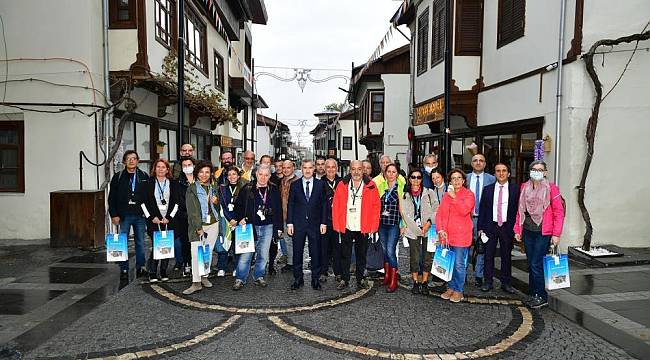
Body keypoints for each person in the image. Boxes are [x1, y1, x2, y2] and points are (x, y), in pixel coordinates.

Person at [514, 161, 565, 309]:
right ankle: (533, 293)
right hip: (529, 230)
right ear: (530, 171)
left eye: (540, 170)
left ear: (545, 172)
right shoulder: (524, 187)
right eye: (534, 169)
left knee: (536, 264)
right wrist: (518, 229)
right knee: (531, 264)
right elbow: (520, 210)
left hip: (544, 231)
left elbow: (558, 212)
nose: (537, 172)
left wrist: (556, 234)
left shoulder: (552, 189)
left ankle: (541, 296)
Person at [332, 160, 381, 290]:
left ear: (363, 170)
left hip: (363, 226)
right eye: (353, 169)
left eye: (359, 169)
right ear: (350, 170)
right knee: (345, 254)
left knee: (361, 255)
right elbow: (336, 205)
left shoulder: (371, 185)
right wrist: (337, 224)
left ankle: (360, 278)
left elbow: (377, 207)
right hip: (346, 225)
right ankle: (344, 278)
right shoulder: (342, 184)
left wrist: (374, 226)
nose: (356, 172)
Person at [232, 165, 283, 290]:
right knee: (246, 255)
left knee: (263, 254)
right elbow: (237, 206)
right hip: (250, 227)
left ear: (270, 176)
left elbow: (278, 210)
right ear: (256, 174)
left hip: (268, 227)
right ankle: (240, 278)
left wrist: (279, 228)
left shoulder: (274, 189)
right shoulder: (247, 188)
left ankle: (259, 276)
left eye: (266, 175)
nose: (263, 177)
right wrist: (240, 219)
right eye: (261, 174)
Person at [477, 163, 520, 294]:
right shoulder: (488, 189)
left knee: (506, 256)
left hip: (507, 227)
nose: (501, 173)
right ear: (494, 174)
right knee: (488, 255)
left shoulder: (516, 189)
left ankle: (506, 283)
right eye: (498, 171)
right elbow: (482, 209)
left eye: (504, 171)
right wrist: (480, 228)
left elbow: (519, 210)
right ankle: (488, 282)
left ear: (508, 173)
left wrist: (517, 228)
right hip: (490, 226)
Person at [108, 150, 150, 279]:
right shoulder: (118, 176)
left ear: (138, 161)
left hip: (140, 216)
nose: (131, 161)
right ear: (124, 161)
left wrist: (147, 214)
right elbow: (112, 198)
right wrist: (114, 214)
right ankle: (124, 269)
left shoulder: (144, 176)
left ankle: (141, 267)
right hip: (123, 216)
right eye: (128, 158)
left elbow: (149, 197)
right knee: (122, 243)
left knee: (140, 243)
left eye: (134, 158)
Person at [435, 169, 475, 303]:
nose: (456, 181)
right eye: (453, 178)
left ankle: (459, 290)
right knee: (449, 263)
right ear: (450, 181)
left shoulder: (469, 194)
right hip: (446, 236)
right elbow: (440, 214)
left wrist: (454, 197)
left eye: (459, 178)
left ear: (463, 181)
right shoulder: (447, 196)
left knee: (459, 264)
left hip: (461, 236)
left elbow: (464, 210)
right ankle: (451, 287)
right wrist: (440, 230)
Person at [287, 160, 327, 290]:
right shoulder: (295, 185)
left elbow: (324, 205)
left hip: (315, 224)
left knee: (315, 252)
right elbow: (291, 205)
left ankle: (315, 279)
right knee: (297, 252)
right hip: (298, 224)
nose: (308, 170)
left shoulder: (321, 185)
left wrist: (323, 222)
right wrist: (289, 223)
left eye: (310, 168)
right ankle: (298, 279)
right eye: (305, 168)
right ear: (301, 169)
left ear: (314, 169)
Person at [140, 159, 182, 282]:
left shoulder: (173, 183)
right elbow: (143, 203)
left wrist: (169, 217)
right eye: (158, 167)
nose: (160, 169)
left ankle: (163, 271)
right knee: (156, 245)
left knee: (166, 245)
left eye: (163, 167)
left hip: (169, 221)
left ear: (167, 169)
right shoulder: (148, 183)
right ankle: (152, 272)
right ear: (154, 169)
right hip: (154, 221)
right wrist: (151, 217)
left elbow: (177, 203)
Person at [183, 161, 220, 295]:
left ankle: (204, 276)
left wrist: (216, 202)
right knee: (196, 253)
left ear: (211, 173)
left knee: (208, 252)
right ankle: (196, 282)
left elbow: (218, 206)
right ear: (197, 173)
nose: (204, 175)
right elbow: (192, 211)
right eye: (201, 172)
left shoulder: (213, 186)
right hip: (198, 226)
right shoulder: (192, 188)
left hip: (213, 223)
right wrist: (198, 227)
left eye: (207, 172)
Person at [400, 169, 438, 295]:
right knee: (414, 257)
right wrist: (418, 230)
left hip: (428, 229)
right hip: (413, 230)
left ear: (422, 179)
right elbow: (404, 214)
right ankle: (416, 282)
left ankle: (425, 282)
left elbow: (436, 209)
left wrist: (428, 223)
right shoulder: (404, 195)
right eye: (413, 177)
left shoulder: (429, 193)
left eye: (418, 177)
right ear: (409, 179)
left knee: (427, 257)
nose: (416, 180)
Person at [467, 153, 496, 287]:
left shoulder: (492, 179)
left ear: (485, 164)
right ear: (471, 163)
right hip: (467, 218)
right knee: (464, 247)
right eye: (475, 160)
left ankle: (479, 275)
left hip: (484, 219)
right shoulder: (464, 178)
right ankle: (464, 274)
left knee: (481, 247)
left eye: (481, 161)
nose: (478, 163)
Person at [377, 164, 405, 293]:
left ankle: (394, 280)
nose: (391, 174)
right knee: (384, 250)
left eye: (394, 172)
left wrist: (403, 225)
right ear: (385, 173)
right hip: (382, 223)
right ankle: (387, 275)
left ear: (397, 174)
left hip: (394, 223)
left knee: (390, 250)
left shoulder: (401, 188)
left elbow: (403, 209)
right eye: (389, 171)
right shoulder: (381, 186)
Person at [216, 166, 244, 277]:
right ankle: (221, 267)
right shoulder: (222, 188)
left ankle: (237, 268)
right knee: (224, 244)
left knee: (237, 246)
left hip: (238, 221)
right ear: (227, 177)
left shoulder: (243, 188)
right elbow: (221, 205)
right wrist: (230, 219)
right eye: (229, 174)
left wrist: (236, 220)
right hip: (226, 220)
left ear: (238, 176)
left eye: (234, 174)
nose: (232, 177)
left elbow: (244, 206)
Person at [321, 158, 342, 283]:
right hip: (325, 221)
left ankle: (338, 272)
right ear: (324, 168)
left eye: (333, 167)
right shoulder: (319, 183)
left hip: (339, 221)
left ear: (337, 168)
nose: (330, 170)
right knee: (323, 248)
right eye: (328, 167)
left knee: (338, 248)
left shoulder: (343, 183)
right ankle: (323, 271)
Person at [176, 156, 196, 276]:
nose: (187, 168)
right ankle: (187, 264)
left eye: (189, 165)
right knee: (186, 242)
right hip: (184, 217)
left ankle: (198, 265)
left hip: (199, 217)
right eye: (185, 165)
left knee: (198, 242)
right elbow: (177, 202)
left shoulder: (200, 180)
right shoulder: (178, 183)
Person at [279, 160, 299, 272]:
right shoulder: (282, 181)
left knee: (294, 241)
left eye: (288, 167)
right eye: (284, 167)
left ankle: (295, 263)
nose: (286, 170)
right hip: (283, 216)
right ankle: (291, 263)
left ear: (293, 168)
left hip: (294, 217)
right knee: (288, 240)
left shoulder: (297, 181)